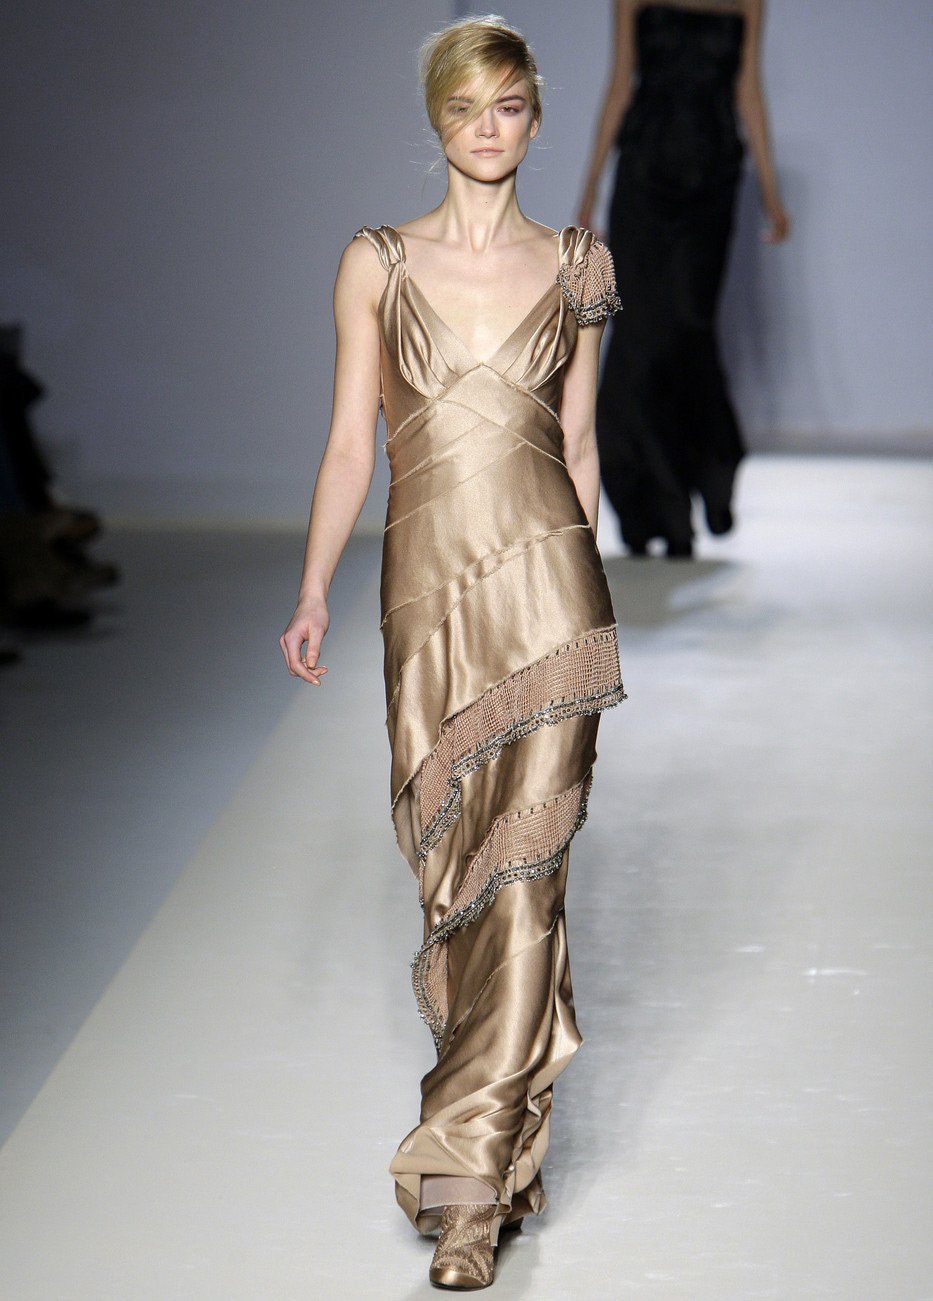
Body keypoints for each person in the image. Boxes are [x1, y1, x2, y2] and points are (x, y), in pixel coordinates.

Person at [280, 17, 625, 1291]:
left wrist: (595, 595)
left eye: (511, 105)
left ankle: (469, 1193)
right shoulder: (376, 262)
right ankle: (507, 1140)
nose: (489, 128)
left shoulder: (580, 263)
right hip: (426, 602)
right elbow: (348, 445)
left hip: (550, 595)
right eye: (469, 106)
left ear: (535, 116)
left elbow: (578, 445)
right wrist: (313, 587)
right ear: (436, 117)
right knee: (456, 884)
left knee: (528, 878)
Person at [578, 0, 789, 558]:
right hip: (644, 177)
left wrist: (769, 191)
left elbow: (748, 89)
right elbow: (621, 85)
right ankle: (659, 507)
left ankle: (710, 470)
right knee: (641, 334)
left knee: (690, 327)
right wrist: (592, 183)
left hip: (711, 178)